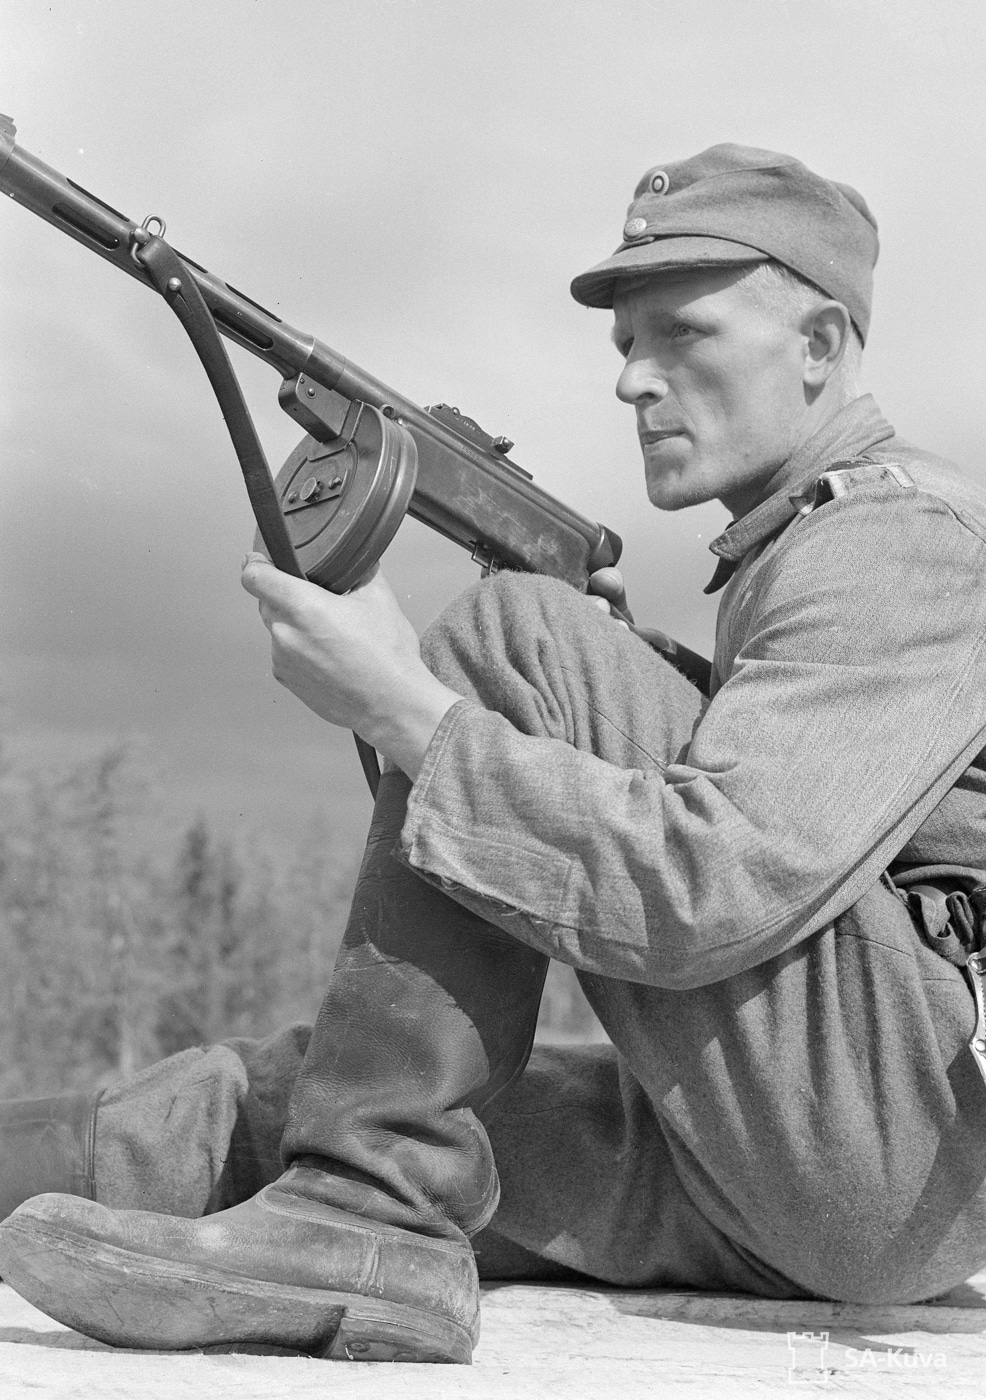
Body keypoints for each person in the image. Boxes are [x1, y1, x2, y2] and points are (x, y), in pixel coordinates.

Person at [2, 143, 986, 1365]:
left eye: (682, 334)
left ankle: (364, 1219)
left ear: (820, 345)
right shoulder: (795, 548)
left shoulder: (893, 536)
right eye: (624, 346)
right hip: (811, 1159)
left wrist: (409, 707)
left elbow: (715, 881)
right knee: (316, 1100)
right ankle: (344, 1192)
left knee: (521, 634)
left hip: (877, 1139)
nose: (634, 379)